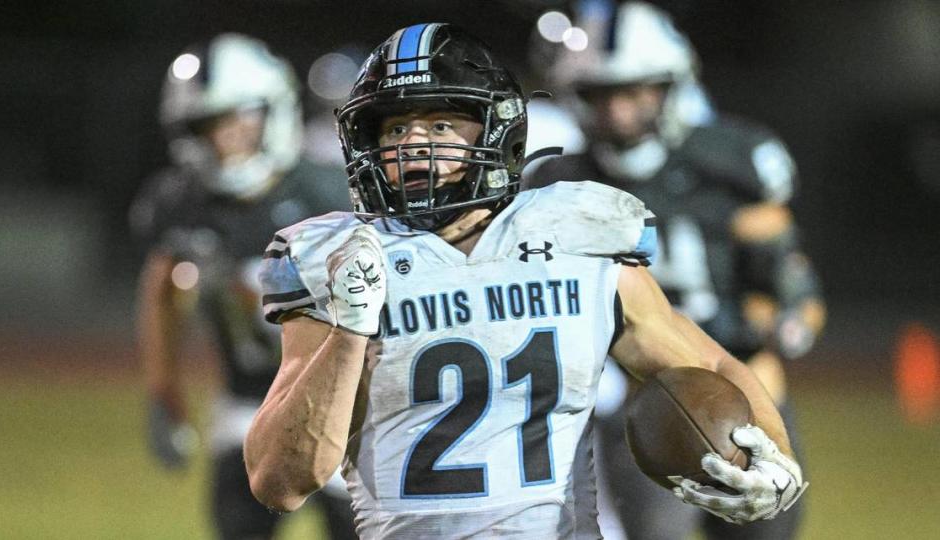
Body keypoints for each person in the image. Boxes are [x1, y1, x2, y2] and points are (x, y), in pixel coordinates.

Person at [245, 22, 807, 539]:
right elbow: (280, 481)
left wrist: (775, 459)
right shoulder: (338, 256)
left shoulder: (575, 235)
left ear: (497, 129)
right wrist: (348, 331)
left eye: (440, 123)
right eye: (395, 127)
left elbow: (708, 364)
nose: (414, 142)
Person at [526, 3, 826, 539]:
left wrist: (780, 326)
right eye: (601, 94)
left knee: (769, 525)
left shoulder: (730, 162)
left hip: (744, 383)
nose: (618, 112)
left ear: (670, 89)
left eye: (635, 92)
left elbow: (789, 286)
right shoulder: (560, 182)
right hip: (636, 400)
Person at [130, 33, 356, 540]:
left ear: (274, 113)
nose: (225, 137)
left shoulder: (331, 194)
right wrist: (163, 392)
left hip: (346, 407)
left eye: (239, 118)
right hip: (246, 406)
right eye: (208, 124)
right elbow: (162, 290)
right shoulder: (178, 201)